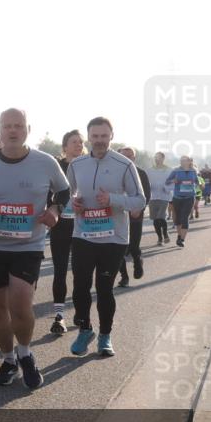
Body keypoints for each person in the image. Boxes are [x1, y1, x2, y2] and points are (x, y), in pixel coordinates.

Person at [0, 109, 69, 388]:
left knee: (21, 305)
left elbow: (63, 191)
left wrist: (55, 210)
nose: (12, 131)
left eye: (18, 126)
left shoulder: (45, 162)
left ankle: (25, 353)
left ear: (27, 129)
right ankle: (8, 359)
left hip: (28, 245)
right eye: (7, 126)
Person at [67, 117, 146, 358]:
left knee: (104, 288)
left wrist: (112, 199)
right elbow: (68, 196)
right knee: (80, 287)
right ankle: (85, 330)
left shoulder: (124, 164)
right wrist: (74, 204)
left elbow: (139, 200)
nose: (99, 141)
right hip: (83, 235)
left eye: (104, 136)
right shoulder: (76, 164)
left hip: (113, 238)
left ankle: (105, 336)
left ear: (112, 136)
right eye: (95, 136)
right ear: (88, 138)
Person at [48, 129, 84, 334]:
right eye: (74, 142)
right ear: (65, 147)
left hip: (84, 226)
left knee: (81, 272)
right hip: (61, 226)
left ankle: (80, 312)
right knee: (60, 270)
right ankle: (59, 317)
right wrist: (51, 210)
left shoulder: (89, 165)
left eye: (80, 142)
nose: (78, 145)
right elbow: (47, 193)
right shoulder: (57, 167)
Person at [117, 147, 150, 288]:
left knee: (134, 246)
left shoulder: (141, 173)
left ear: (134, 158)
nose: (127, 158)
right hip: (117, 215)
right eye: (124, 156)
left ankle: (137, 260)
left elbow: (147, 194)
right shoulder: (113, 172)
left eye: (130, 156)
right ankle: (124, 276)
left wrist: (139, 208)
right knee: (118, 248)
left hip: (135, 215)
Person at [165, 156, 199, 247]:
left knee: (185, 217)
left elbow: (197, 181)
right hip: (177, 197)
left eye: (184, 160)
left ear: (189, 161)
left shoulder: (193, 171)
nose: (182, 162)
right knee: (178, 219)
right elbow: (167, 181)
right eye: (181, 160)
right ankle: (179, 236)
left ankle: (182, 240)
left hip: (189, 197)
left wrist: (199, 184)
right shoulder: (176, 170)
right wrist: (173, 180)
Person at [147, 151, 173, 245]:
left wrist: (167, 188)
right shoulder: (149, 170)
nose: (157, 159)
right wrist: (148, 189)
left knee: (160, 217)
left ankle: (165, 233)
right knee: (155, 219)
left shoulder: (169, 170)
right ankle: (159, 238)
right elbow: (145, 183)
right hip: (153, 197)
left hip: (164, 196)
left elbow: (173, 183)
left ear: (163, 158)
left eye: (158, 157)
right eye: (155, 157)